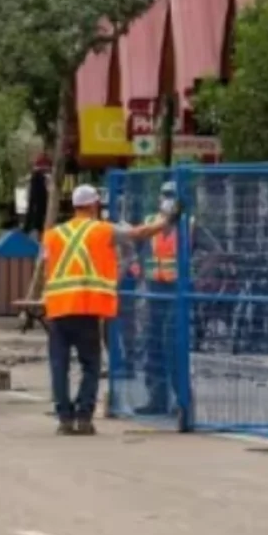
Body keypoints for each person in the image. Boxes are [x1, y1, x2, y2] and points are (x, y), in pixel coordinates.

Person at [31, 184, 175, 435]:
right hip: (86, 309)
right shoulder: (103, 230)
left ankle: (65, 419)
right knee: (90, 365)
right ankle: (84, 417)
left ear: (75, 206)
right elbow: (140, 233)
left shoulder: (52, 234)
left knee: (58, 366)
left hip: (58, 310)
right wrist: (167, 219)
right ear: (94, 205)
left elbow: (46, 271)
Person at [137, 182, 185, 417]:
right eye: (165, 195)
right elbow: (138, 248)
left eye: (172, 196)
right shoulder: (149, 222)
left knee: (174, 346)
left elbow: (214, 250)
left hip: (177, 293)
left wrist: (197, 275)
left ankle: (183, 401)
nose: (167, 200)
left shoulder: (188, 225)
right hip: (154, 291)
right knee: (152, 344)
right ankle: (157, 398)